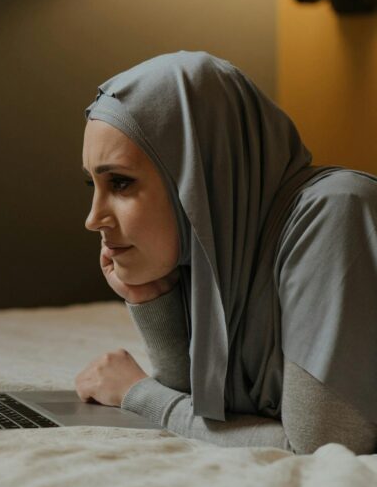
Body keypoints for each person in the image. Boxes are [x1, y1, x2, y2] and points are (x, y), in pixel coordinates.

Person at [75, 51, 377, 455]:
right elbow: (207, 408)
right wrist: (150, 296)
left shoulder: (336, 211)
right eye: (92, 185)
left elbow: (322, 449)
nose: (93, 219)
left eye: (121, 183)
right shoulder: (225, 248)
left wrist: (139, 394)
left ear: (197, 173)